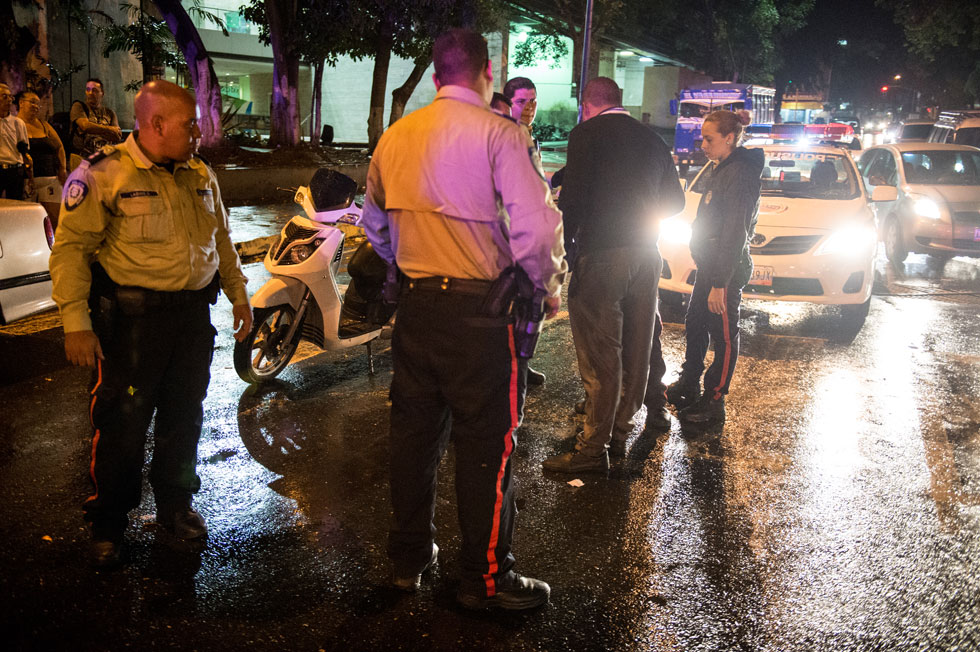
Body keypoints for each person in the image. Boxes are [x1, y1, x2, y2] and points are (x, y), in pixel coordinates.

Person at [362, 28, 566, 610]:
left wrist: (408, 258)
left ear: (433, 75)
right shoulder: (501, 136)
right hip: (482, 317)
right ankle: (483, 579)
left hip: (418, 312)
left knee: (412, 441)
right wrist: (547, 285)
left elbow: (375, 223)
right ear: (488, 72)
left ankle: (407, 560)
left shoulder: (396, 137)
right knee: (485, 447)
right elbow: (537, 228)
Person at [49, 80, 253, 568]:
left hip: (190, 321)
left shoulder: (199, 173)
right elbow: (72, 251)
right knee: (122, 425)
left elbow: (221, 239)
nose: (198, 131)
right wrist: (76, 322)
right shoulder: (104, 174)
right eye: (189, 123)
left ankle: (175, 508)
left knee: (184, 418)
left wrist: (239, 296)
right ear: (156, 123)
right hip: (133, 327)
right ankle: (108, 523)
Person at [542, 77, 683, 473]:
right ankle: (619, 433)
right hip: (647, 255)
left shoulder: (586, 134)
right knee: (637, 348)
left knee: (601, 356)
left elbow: (573, 203)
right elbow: (675, 201)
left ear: (587, 104)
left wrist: (567, 255)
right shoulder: (653, 140)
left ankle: (592, 450)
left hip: (603, 256)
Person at [666, 109, 763, 425]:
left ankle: (715, 399)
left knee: (723, 335)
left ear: (729, 139)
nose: (703, 145)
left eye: (709, 139)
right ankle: (689, 384)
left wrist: (720, 282)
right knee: (695, 324)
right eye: (702, 138)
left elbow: (735, 230)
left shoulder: (740, 173)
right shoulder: (723, 167)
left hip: (725, 270)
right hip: (710, 266)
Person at [502, 76, 547, 387]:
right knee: (516, 305)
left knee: (530, 306)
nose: (529, 107)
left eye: (533, 100)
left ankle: (521, 362)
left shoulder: (529, 135)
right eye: (522, 101)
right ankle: (511, 366)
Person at [16, 90, 67, 227]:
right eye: (32, 102)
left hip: (49, 179)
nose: (36, 106)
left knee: (55, 218)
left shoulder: (44, 125)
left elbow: (59, 147)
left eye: (38, 104)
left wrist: (62, 168)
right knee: (29, 221)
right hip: (27, 180)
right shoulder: (14, 125)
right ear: (21, 103)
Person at [69, 78, 122, 168]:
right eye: (88, 90)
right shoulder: (78, 107)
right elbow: (85, 126)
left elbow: (117, 136)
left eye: (94, 90)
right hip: (82, 159)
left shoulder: (109, 113)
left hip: (103, 160)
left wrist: (96, 129)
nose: (90, 93)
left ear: (102, 93)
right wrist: (108, 129)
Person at [0, 83, 32, 200]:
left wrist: (29, 175)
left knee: (15, 204)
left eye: (10, 97)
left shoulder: (17, 123)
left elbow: (24, 149)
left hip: (14, 170)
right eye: (4, 97)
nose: (8, 100)